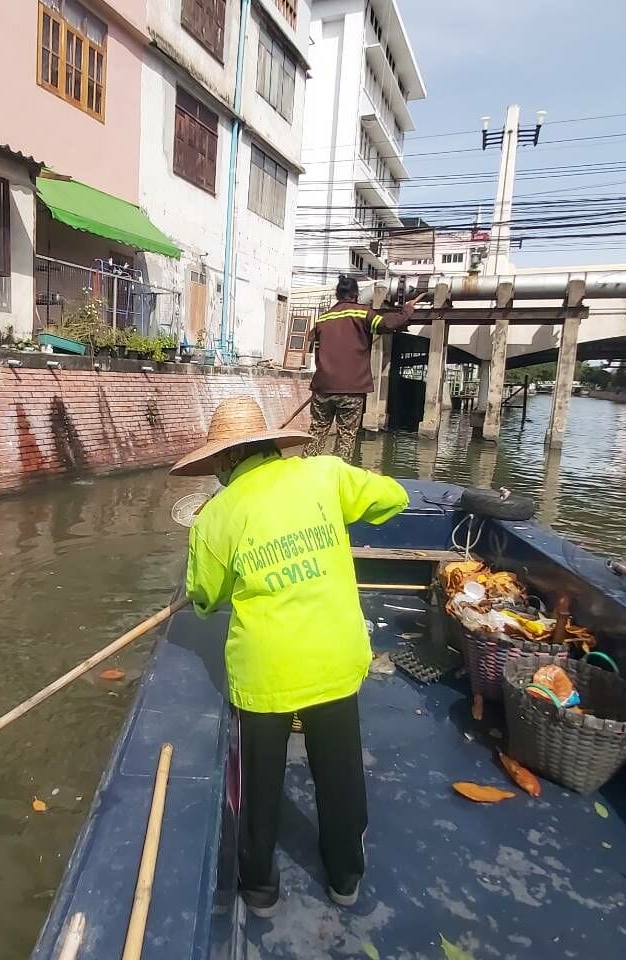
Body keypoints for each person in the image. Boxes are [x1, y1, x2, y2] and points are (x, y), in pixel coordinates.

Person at [172, 395, 410, 918]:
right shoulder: (325, 475)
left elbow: (206, 599)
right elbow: (392, 498)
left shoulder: (216, 518)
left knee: (258, 783)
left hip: (266, 673)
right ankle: (345, 877)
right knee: (340, 771)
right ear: (271, 447)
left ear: (224, 462)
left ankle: (259, 890)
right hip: (335, 658)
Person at [303, 275, 424, 461]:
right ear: (356, 294)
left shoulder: (323, 318)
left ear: (337, 294)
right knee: (346, 437)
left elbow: (315, 347)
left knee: (316, 432)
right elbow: (388, 324)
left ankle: (305, 472)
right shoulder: (362, 313)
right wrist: (406, 311)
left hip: (323, 387)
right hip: (351, 389)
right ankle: (339, 478)